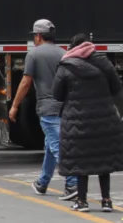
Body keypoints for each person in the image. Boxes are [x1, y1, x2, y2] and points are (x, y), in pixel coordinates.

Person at [52, 33, 123, 213]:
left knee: (81, 160)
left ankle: (82, 201)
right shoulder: (105, 63)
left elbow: (57, 94)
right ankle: (106, 200)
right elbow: (116, 88)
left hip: (77, 120)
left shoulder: (66, 65)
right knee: (103, 159)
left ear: (72, 46)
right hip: (104, 118)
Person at [10, 19, 77, 200]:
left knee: (57, 146)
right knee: (49, 145)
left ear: (38, 36)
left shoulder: (34, 55)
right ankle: (42, 182)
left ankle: (72, 184)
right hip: (65, 105)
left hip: (48, 108)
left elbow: (25, 82)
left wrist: (15, 106)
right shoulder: (64, 53)